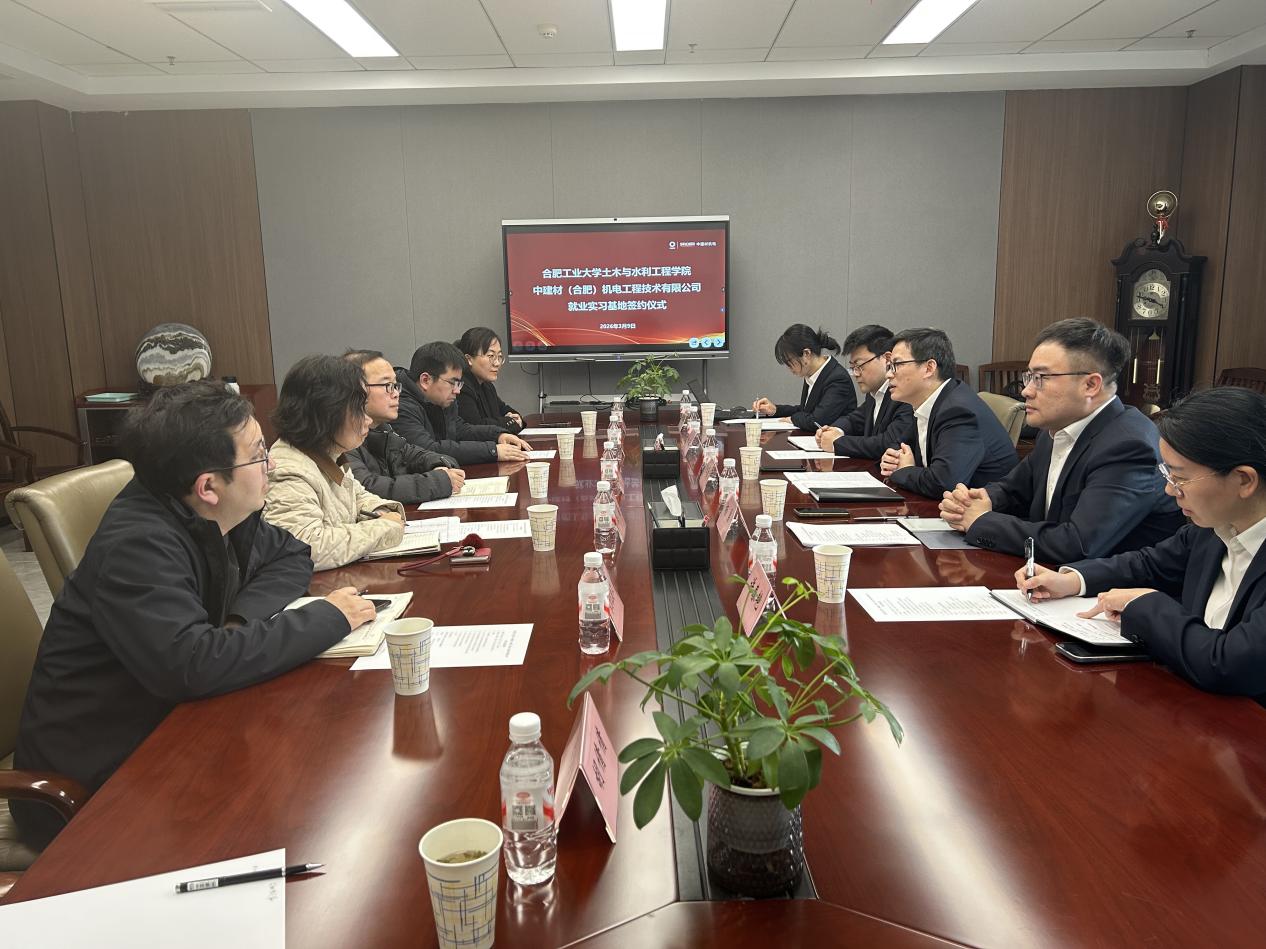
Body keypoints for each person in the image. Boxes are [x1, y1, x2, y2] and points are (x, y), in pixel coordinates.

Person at [12, 380, 375, 847]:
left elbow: (291, 555)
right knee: (300, 814)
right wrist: (328, 617)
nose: (271, 465)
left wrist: (237, 623)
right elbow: (193, 665)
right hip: (94, 782)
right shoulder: (138, 544)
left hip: (170, 731)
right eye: (258, 455)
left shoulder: (215, 510)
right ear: (208, 486)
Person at [1018, 387, 1266, 706]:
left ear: (1244, 480)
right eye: (1167, 473)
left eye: (1180, 478)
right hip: (1190, 704)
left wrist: (1147, 605)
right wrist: (1071, 580)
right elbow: (1149, 564)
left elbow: (1228, 663)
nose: (1169, 490)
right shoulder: (1214, 527)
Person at [940, 318, 1182, 561]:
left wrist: (981, 521)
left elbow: (1077, 544)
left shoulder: (1129, 447)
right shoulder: (1056, 429)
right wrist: (978, 499)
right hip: (1046, 574)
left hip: (1107, 582)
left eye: (1041, 378)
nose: (1026, 391)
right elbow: (1014, 490)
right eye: (1029, 377)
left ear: (1090, 385)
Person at [264, 355, 407, 570]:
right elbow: (307, 547)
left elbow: (356, 495)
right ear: (327, 412)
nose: (368, 419)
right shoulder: (288, 471)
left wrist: (380, 510)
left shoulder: (327, 451)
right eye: (359, 410)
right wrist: (384, 528)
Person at [879, 328, 1017, 497]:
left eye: (897, 365)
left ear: (929, 368)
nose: (888, 374)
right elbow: (900, 445)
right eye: (889, 366)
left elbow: (943, 482)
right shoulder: (931, 401)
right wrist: (892, 458)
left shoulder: (957, 411)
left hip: (986, 509)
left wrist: (904, 470)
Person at [343, 349, 466, 504]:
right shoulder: (341, 438)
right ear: (355, 390)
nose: (396, 393)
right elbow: (366, 488)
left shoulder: (383, 430)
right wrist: (438, 481)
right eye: (387, 385)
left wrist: (441, 466)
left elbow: (418, 454)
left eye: (395, 385)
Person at [395, 342, 531, 464]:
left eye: (459, 384)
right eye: (452, 383)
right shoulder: (400, 405)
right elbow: (428, 450)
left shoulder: (443, 399)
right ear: (426, 380)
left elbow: (461, 429)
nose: (457, 391)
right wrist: (492, 451)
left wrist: (499, 435)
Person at [814, 324, 913, 459]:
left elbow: (889, 443)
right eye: (853, 367)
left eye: (859, 366)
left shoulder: (904, 395)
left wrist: (837, 443)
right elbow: (855, 419)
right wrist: (834, 430)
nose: (856, 374)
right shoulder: (874, 393)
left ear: (887, 359)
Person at [751, 324, 857, 432]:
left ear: (806, 354)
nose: (789, 368)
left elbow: (817, 421)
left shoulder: (838, 378)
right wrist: (775, 410)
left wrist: (792, 419)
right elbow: (806, 411)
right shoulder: (812, 373)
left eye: (789, 362)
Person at [455, 327, 523, 433]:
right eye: (491, 356)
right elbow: (476, 427)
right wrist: (509, 421)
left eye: (499, 356)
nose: (497, 363)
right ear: (469, 359)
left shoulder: (486, 385)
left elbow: (505, 409)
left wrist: (515, 419)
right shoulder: (460, 386)